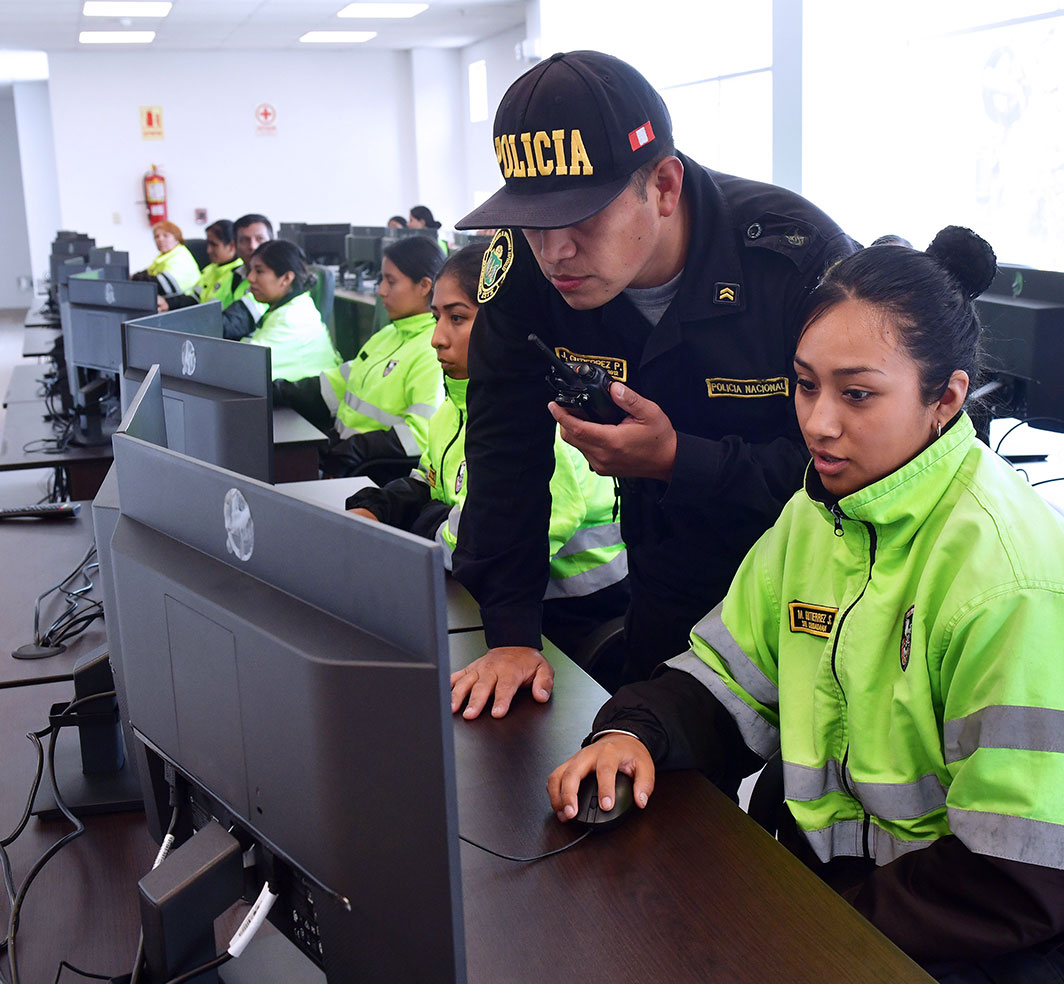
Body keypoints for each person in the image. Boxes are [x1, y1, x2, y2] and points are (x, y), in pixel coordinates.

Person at [547, 229, 1064, 984]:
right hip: (884, 893)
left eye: (856, 394)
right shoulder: (820, 514)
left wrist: (816, 922)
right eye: (804, 384)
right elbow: (727, 679)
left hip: (1047, 929)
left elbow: (1023, 871)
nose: (818, 423)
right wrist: (637, 732)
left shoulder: (1016, 582)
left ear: (945, 397)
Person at [448, 50, 856, 715]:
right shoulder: (522, 265)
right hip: (662, 572)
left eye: (582, 218)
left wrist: (677, 461)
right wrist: (514, 636)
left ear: (663, 187)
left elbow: (861, 474)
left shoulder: (796, 262)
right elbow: (505, 454)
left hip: (814, 586)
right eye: (533, 219)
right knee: (657, 769)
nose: (555, 252)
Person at [345, 245, 629, 667]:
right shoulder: (454, 406)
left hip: (562, 623)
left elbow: (483, 542)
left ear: (506, 326)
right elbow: (431, 481)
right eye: (435, 317)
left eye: (457, 318)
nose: (437, 337)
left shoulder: (542, 424)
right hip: (489, 606)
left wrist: (418, 526)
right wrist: (377, 507)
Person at [274, 236, 446, 479]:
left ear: (425, 286)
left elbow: (419, 436)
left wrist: (354, 448)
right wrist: (275, 391)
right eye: (381, 279)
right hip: (344, 458)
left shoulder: (433, 349)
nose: (381, 291)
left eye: (391, 281)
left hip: (373, 474)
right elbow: (334, 386)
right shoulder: (388, 335)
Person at [244, 239, 341, 381]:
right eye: (250, 270)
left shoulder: (291, 319)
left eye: (259, 271)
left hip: (303, 400)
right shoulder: (292, 306)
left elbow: (243, 365)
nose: (250, 278)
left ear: (286, 278)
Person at [160, 218, 241, 312]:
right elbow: (195, 298)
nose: (208, 250)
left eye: (214, 245)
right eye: (208, 244)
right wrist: (168, 303)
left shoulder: (238, 275)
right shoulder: (210, 269)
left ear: (231, 246)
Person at [222, 213, 275, 341]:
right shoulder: (235, 274)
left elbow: (229, 325)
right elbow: (209, 310)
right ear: (235, 245)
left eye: (260, 239)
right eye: (245, 240)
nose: (253, 246)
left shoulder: (274, 280)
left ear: (272, 241)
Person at [140, 220, 202, 298]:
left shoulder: (181, 256)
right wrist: (134, 276)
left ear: (176, 239)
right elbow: (149, 271)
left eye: (165, 235)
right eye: (156, 237)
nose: (160, 239)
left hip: (186, 302)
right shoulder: (163, 256)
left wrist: (135, 279)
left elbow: (163, 285)